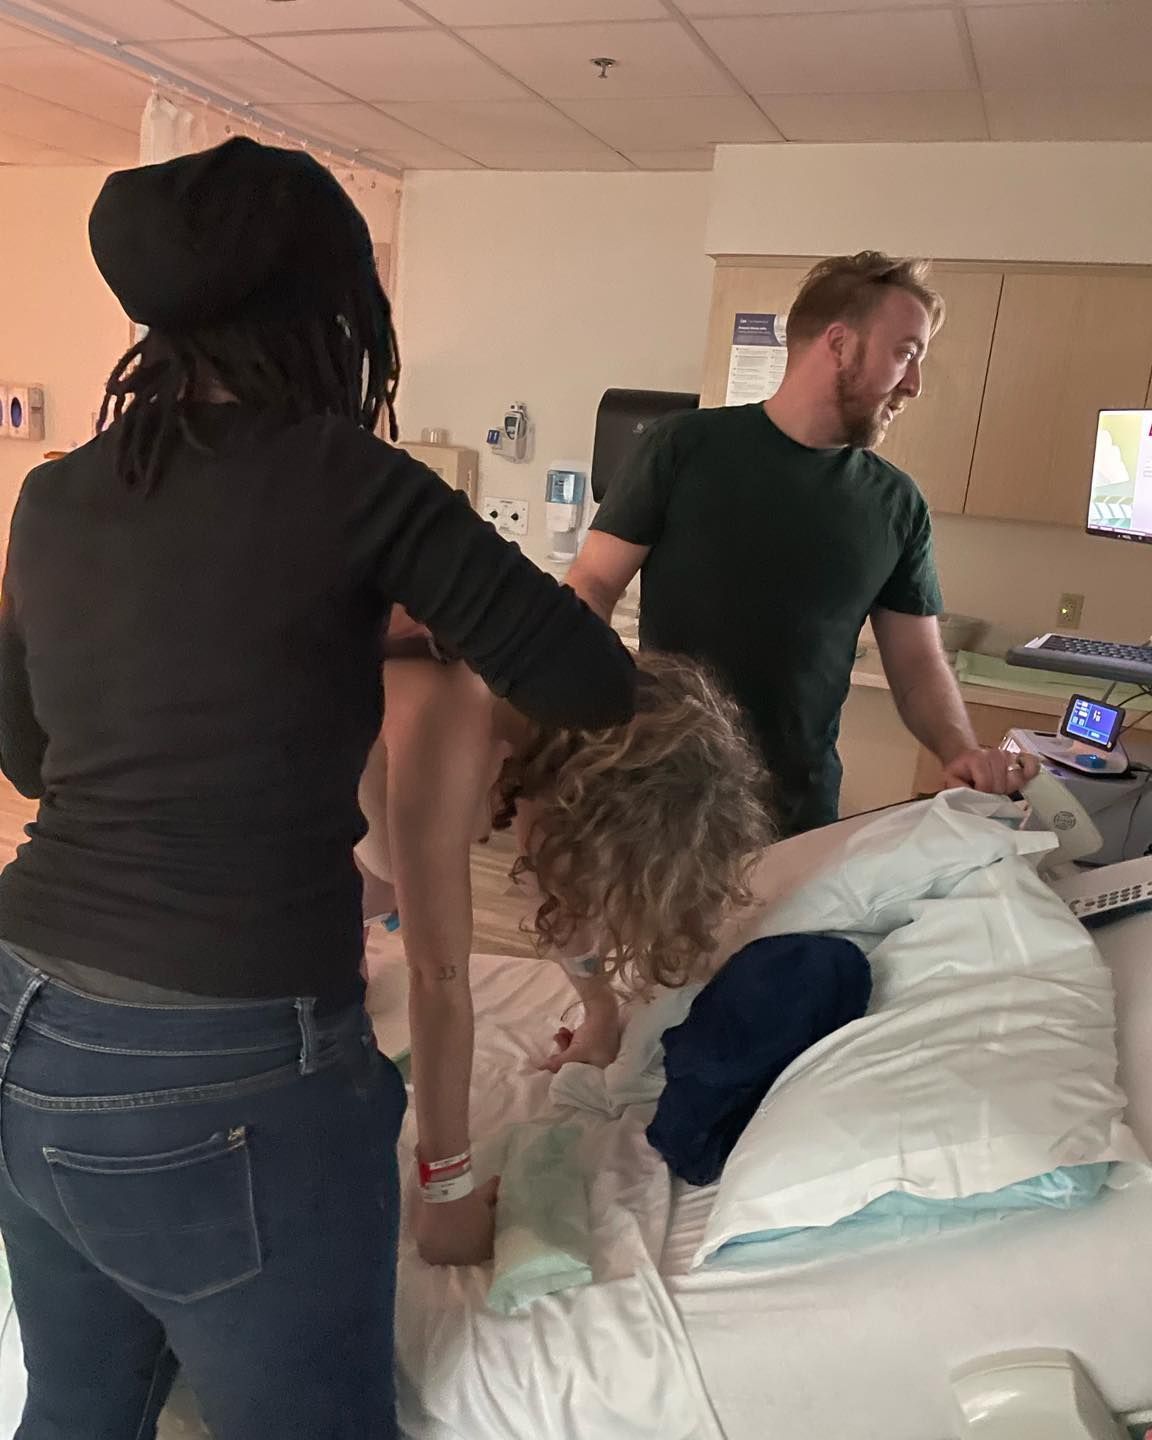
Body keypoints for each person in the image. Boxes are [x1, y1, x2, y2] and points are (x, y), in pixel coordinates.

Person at [0, 137, 637, 1440]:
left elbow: (29, 759)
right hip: (227, 1057)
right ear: (332, 310)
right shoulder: (352, 481)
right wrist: (419, 604)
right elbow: (587, 680)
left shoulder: (54, 497)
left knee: (79, 1408)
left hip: (22, 1015)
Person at [569, 251, 1039, 837]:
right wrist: (572, 711)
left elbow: (917, 662)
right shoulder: (683, 448)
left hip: (798, 812)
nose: (914, 384)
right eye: (905, 353)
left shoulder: (896, 503)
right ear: (839, 344)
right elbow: (593, 584)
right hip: (661, 795)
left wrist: (960, 749)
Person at [364, 641, 774, 1264]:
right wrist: (446, 1194)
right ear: (584, 807)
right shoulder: (448, 715)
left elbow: (560, 897)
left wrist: (600, 1011)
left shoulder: (531, 707)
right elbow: (438, 977)